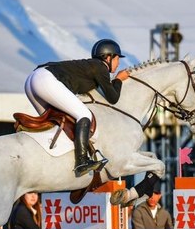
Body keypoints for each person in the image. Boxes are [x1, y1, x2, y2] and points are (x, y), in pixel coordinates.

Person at [24, 39, 130, 177]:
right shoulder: (100, 66)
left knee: (54, 124)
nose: (119, 63)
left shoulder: (91, 67)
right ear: (108, 57)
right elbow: (113, 98)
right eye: (117, 58)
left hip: (33, 79)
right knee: (84, 114)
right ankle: (81, 162)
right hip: (45, 79)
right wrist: (119, 79)